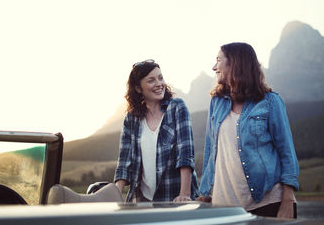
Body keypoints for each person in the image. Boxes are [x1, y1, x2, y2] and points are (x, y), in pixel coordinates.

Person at [198, 43, 299, 219]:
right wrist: (205, 191)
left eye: (218, 60)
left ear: (235, 64)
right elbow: (210, 149)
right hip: (224, 206)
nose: (214, 67)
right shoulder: (216, 102)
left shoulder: (270, 102)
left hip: (267, 202)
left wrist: (287, 200)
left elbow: (287, 152)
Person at [114, 59, 199, 202]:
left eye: (160, 78)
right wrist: (115, 198)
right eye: (151, 80)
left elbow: (185, 154)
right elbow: (124, 162)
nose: (159, 84)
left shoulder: (177, 107)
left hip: (175, 198)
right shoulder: (131, 119)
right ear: (138, 88)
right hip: (143, 200)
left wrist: (184, 194)